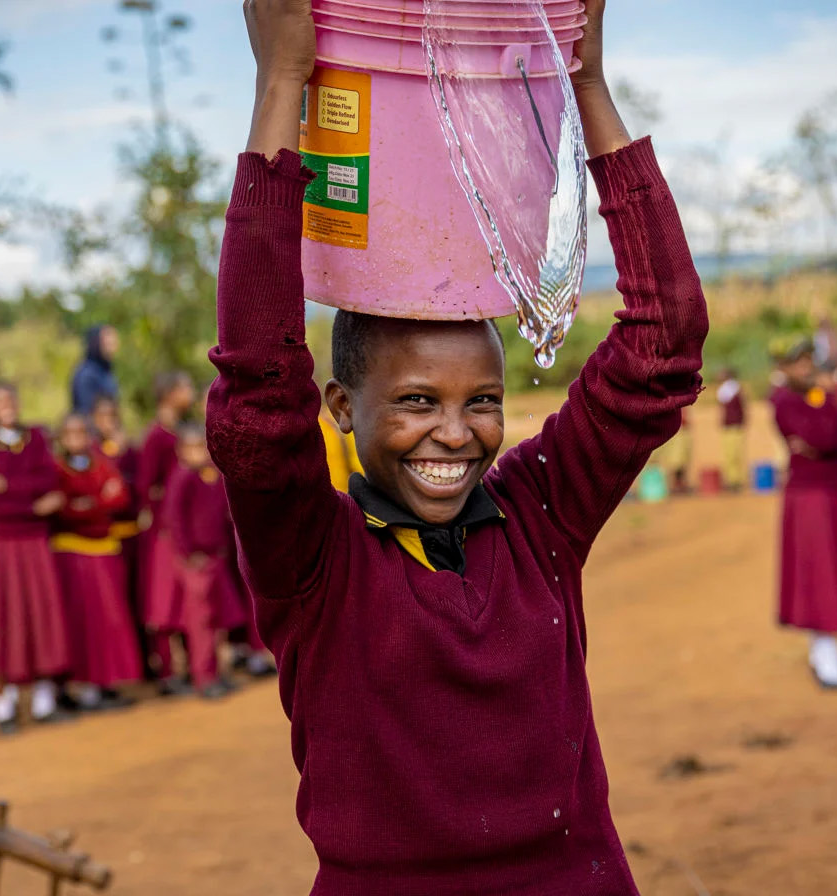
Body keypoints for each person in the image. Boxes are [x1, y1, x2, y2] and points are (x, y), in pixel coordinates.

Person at [213, 2, 707, 888]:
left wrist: (585, 81)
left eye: (483, 399)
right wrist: (281, 83)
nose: (455, 431)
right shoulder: (315, 562)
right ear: (338, 408)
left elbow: (662, 344)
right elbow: (256, 388)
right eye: (413, 401)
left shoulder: (537, 521)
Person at [770, 343, 837, 689]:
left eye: (808, 362)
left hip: (826, 493)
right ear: (784, 368)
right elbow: (822, 434)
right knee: (821, 575)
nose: (805, 369)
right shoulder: (783, 401)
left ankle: (824, 658)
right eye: (797, 363)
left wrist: (824, 424)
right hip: (810, 497)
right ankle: (829, 665)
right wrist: (825, 425)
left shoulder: (816, 398)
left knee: (827, 572)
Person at [0, 382, 71, 735]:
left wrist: (6, 486)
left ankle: (44, 701)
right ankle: (4, 704)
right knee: (3, 618)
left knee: (39, 616)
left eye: (10, 399)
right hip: (1, 543)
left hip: (34, 542)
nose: (6, 406)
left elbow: (50, 483)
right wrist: (31, 503)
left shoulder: (38, 437)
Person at [51, 412, 143, 710]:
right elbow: (64, 509)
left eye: (82, 432)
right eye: (70, 432)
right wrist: (97, 503)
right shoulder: (56, 469)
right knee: (82, 621)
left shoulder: (103, 464)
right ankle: (84, 688)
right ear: (61, 438)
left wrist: (89, 505)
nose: (76, 438)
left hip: (104, 551)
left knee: (109, 620)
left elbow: (121, 498)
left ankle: (105, 684)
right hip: (72, 555)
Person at [160, 424, 242, 700]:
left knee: (218, 619)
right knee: (201, 622)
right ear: (181, 451)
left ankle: (218, 673)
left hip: (216, 556)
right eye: (193, 448)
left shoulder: (211, 476)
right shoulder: (181, 478)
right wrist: (187, 554)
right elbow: (174, 520)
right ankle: (203, 678)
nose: (199, 453)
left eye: (202, 447)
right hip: (196, 562)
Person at [138, 370, 196, 690]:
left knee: (186, 601)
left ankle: (191, 667)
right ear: (168, 393)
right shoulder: (157, 437)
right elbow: (147, 487)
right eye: (184, 386)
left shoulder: (183, 433)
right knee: (164, 602)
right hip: (165, 532)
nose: (189, 392)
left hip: (185, 529)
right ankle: (166, 672)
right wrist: (162, 521)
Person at [91, 395, 151, 677]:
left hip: (133, 535)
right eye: (103, 417)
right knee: (117, 604)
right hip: (105, 539)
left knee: (140, 600)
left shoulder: (130, 450)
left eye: (112, 415)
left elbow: (140, 487)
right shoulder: (90, 453)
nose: (109, 422)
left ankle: (147, 662)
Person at [70, 324, 121, 415]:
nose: (113, 348)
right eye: (108, 344)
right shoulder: (87, 374)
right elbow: (85, 411)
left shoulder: (106, 372)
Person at [716, 367, 746, 491]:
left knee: (735, 453)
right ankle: (732, 479)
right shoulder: (724, 390)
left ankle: (736, 480)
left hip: (735, 425)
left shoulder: (735, 389)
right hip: (729, 425)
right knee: (730, 453)